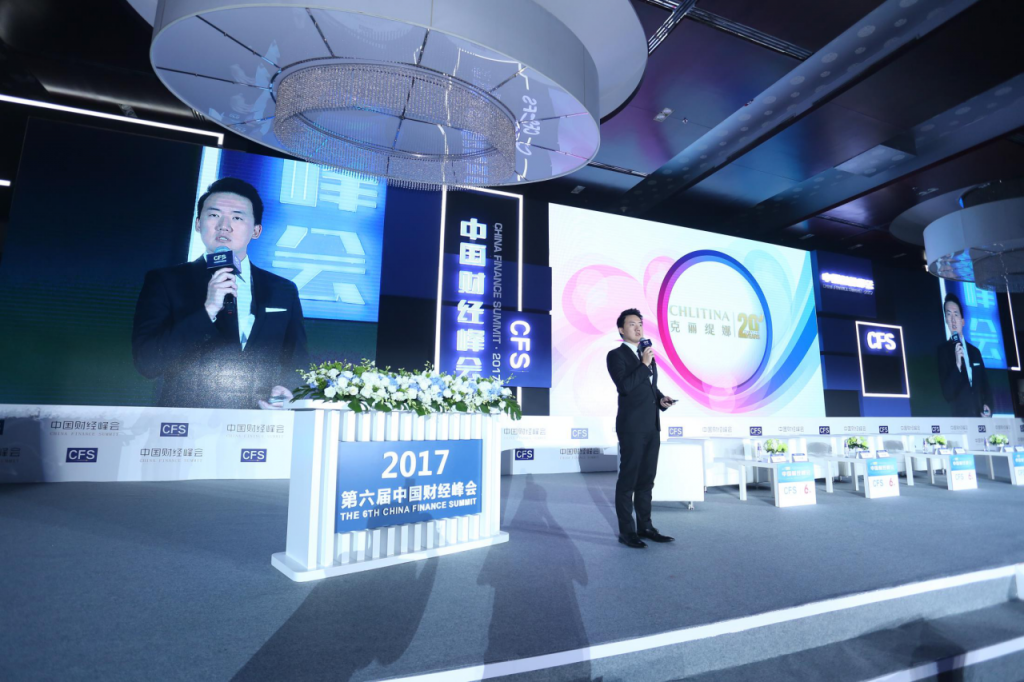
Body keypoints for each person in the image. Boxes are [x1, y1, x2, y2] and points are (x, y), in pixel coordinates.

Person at [132, 177, 307, 410]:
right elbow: (148, 363)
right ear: (198, 223)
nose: (224, 225)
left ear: (256, 230)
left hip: (259, 419)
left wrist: (288, 388)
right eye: (214, 215)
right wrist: (208, 310)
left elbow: (298, 360)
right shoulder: (165, 281)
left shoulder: (283, 289)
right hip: (186, 420)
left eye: (237, 217)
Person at [606, 308, 676, 549]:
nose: (638, 328)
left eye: (640, 324)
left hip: (651, 426)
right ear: (621, 329)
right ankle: (627, 532)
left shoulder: (643, 355)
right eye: (632, 324)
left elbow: (645, 386)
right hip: (632, 427)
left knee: (647, 480)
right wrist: (644, 364)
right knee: (628, 481)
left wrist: (660, 399)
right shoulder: (616, 355)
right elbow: (625, 386)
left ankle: (645, 526)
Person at [936, 292, 991, 418]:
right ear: (946, 320)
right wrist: (957, 365)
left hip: (980, 417)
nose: (953, 319)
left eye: (956, 314)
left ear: (963, 321)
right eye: (948, 314)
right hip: (959, 419)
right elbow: (947, 393)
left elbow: (985, 385)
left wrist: (989, 406)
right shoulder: (942, 351)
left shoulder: (975, 352)